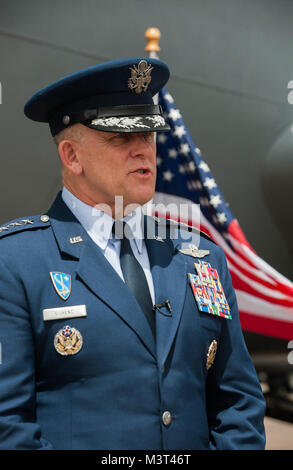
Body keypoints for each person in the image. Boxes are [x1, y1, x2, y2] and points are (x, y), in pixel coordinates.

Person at [0, 57, 266, 450]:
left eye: (149, 135)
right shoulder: (16, 262)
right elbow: (8, 424)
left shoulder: (200, 257)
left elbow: (239, 402)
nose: (144, 150)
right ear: (72, 156)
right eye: (121, 138)